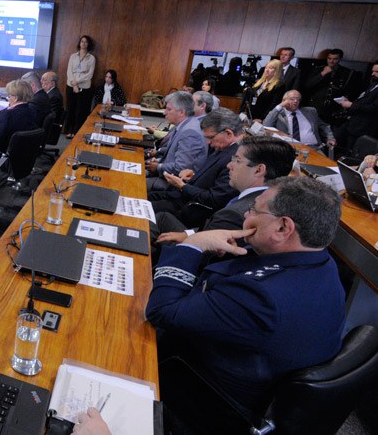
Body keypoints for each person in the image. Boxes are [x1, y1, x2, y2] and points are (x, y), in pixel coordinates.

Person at [147, 175, 344, 413]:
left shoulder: (261, 297)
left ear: (283, 227)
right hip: (244, 364)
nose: (246, 216)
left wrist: (193, 245)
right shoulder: (321, 262)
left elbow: (161, 311)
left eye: (254, 210)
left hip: (199, 389)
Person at [153, 135, 296, 255]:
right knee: (162, 217)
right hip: (200, 231)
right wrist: (189, 234)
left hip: (193, 257)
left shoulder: (234, 215)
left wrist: (189, 239)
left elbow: (200, 256)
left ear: (259, 170)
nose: (229, 166)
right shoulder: (274, 195)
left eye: (237, 161)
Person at [149, 109, 243, 227]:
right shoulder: (224, 148)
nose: (207, 142)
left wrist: (182, 186)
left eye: (211, 137)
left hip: (189, 209)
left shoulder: (236, 159)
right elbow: (212, 177)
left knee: (143, 208)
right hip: (181, 196)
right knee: (141, 197)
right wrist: (194, 175)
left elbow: (214, 199)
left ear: (228, 133)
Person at [146, 91, 208, 191]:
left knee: (131, 182)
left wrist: (158, 167)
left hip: (172, 184)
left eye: (169, 109)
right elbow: (174, 153)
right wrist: (158, 160)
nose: (164, 113)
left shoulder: (190, 132)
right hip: (165, 175)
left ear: (181, 112)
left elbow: (181, 167)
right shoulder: (185, 124)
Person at [263, 90, 336, 149]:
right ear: (284, 100)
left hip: (314, 148)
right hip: (289, 147)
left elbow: (324, 126)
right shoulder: (278, 114)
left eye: (298, 99)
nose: (295, 101)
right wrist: (280, 105)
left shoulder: (310, 111)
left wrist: (330, 138)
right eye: (292, 99)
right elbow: (266, 125)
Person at [0, 79, 37, 153]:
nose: (8, 99)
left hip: (1, 154)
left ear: (15, 98)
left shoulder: (8, 114)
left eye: (9, 96)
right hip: (23, 153)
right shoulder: (32, 111)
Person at [333, 60, 378, 154]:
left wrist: (351, 105)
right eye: (373, 71)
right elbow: (364, 101)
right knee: (334, 142)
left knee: (350, 152)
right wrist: (350, 103)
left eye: (377, 72)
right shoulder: (374, 84)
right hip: (352, 122)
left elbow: (373, 108)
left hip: (363, 127)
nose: (373, 74)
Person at [303, 48, 356, 126]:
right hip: (315, 106)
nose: (331, 61)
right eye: (329, 58)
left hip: (332, 109)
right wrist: (323, 73)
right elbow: (307, 85)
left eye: (335, 59)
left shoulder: (346, 73)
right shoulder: (318, 69)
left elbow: (348, 90)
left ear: (340, 59)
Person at [63, 35, 96, 138]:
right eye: (82, 41)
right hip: (71, 85)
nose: (83, 43)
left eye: (86, 42)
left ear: (88, 44)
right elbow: (69, 71)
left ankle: (77, 132)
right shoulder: (73, 56)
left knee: (80, 111)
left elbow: (89, 74)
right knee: (70, 109)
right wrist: (74, 84)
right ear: (79, 43)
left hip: (84, 87)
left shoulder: (91, 58)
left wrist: (77, 82)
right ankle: (69, 130)